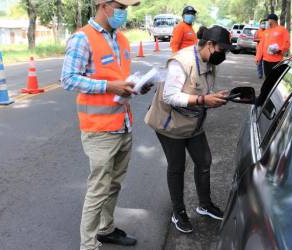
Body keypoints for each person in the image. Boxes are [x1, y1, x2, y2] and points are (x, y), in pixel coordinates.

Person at [60, 0, 152, 249]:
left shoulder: (121, 40)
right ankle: (88, 245)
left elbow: (120, 80)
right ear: (103, 5)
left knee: (114, 184)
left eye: (126, 8)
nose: (124, 12)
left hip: (123, 123)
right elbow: (67, 79)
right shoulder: (83, 38)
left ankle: (106, 228)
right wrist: (108, 86)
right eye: (120, 6)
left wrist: (137, 86)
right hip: (99, 128)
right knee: (98, 188)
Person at [144, 26, 231, 234]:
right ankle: (178, 211)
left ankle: (204, 204)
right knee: (177, 167)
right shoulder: (181, 62)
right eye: (222, 49)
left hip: (193, 123)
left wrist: (215, 96)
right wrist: (203, 99)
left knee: (204, 161)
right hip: (170, 124)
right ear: (209, 45)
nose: (224, 54)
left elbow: (201, 89)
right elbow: (170, 96)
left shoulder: (209, 61)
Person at [256, 13, 290, 79]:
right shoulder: (266, 31)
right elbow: (261, 45)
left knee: (275, 79)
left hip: (277, 60)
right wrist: (258, 57)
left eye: (268, 20)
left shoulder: (282, 30)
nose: (267, 22)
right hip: (266, 60)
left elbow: (287, 42)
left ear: (272, 20)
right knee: (267, 79)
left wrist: (280, 51)